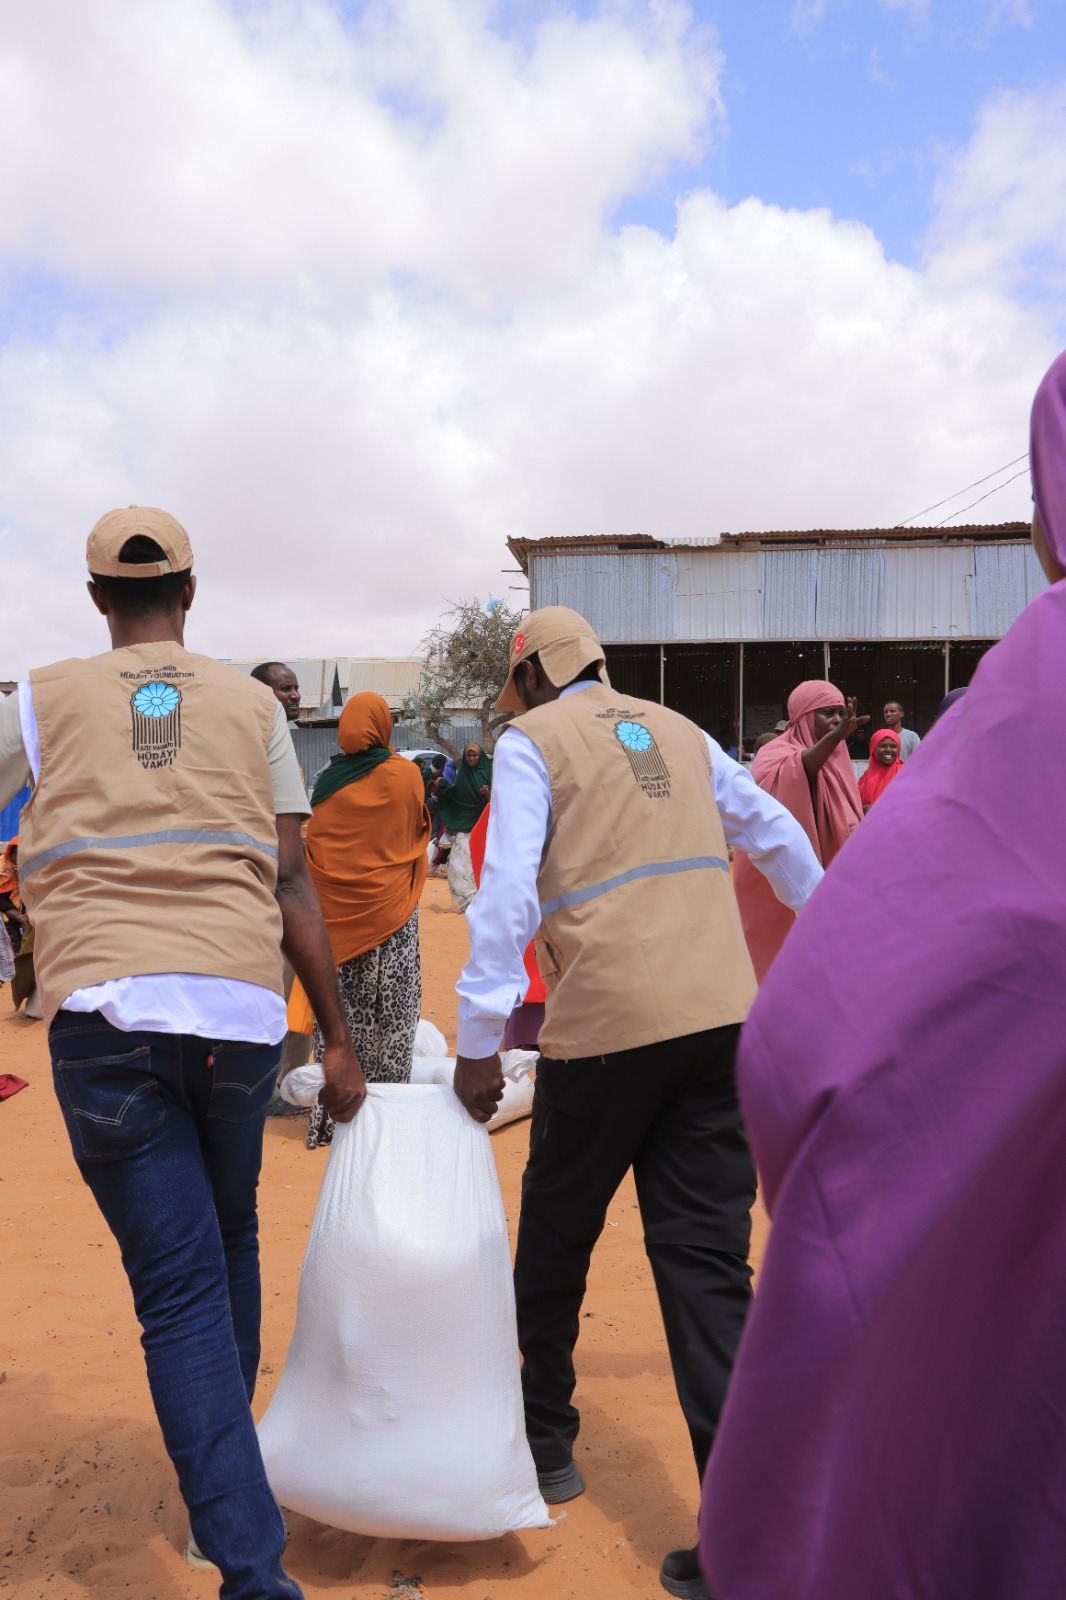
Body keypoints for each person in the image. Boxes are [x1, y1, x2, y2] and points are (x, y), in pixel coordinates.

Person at [699, 350, 1066, 1600]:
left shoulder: (1020, 713)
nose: (845, 727)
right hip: (796, 933)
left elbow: (817, 1038)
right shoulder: (789, 763)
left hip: (842, 947)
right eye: (833, 714)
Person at [0, 507, 364, 1600]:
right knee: (230, 1233)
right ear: (191, 592)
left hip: (106, 1017)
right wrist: (338, 1038)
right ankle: (225, 1518)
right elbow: (290, 877)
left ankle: (249, 1564)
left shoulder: (41, 699)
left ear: (97, 598)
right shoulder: (254, 705)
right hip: (239, 1014)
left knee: (179, 1292)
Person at [451, 606, 824, 1600]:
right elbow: (777, 835)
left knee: (556, 1240)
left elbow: (506, 895)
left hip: (606, 1029)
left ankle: (546, 1441)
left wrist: (478, 1041)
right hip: (719, 1022)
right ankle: (748, 1535)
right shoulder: (679, 729)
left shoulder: (530, 743)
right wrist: (832, 935)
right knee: (706, 1267)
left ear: (533, 675)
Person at [302, 691, 431, 1148]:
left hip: (336, 928)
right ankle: (388, 1124)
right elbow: (417, 832)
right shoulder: (406, 775)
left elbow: (314, 848)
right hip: (393, 918)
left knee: (340, 1022)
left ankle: (332, 1122)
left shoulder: (325, 781)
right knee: (393, 1019)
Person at [732, 681, 865, 982]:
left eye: (840, 713)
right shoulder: (773, 753)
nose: (836, 720)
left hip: (832, 870)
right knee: (786, 963)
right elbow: (798, 770)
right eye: (827, 713)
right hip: (780, 879)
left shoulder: (837, 756)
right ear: (804, 716)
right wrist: (833, 739)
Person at [436, 742, 492, 912]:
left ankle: (483, 901)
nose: (471, 759)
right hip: (463, 825)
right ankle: (466, 901)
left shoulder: (489, 773)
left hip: (482, 825)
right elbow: (456, 797)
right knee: (458, 864)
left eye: (474, 755)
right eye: (468, 755)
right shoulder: (462, 775)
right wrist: (443, 786)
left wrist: (487, 794)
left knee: (480, 863)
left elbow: (497, 802)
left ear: (480, 757)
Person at [857, 726, 903, 811]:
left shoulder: (906, 774)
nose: (888, 750)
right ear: (873, 749)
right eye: (883, 746)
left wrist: (879, 808)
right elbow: (854, 809)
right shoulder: (863, 781)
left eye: (893, 746)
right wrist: (865, 809)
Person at [0, 836, 26, 953]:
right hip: (7, 913)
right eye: (15, 853)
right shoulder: (3, 869)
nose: (17, 857)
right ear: (9, 854)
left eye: (21, 853)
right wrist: (21, 918)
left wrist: (19, 877)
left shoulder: (32, 868)